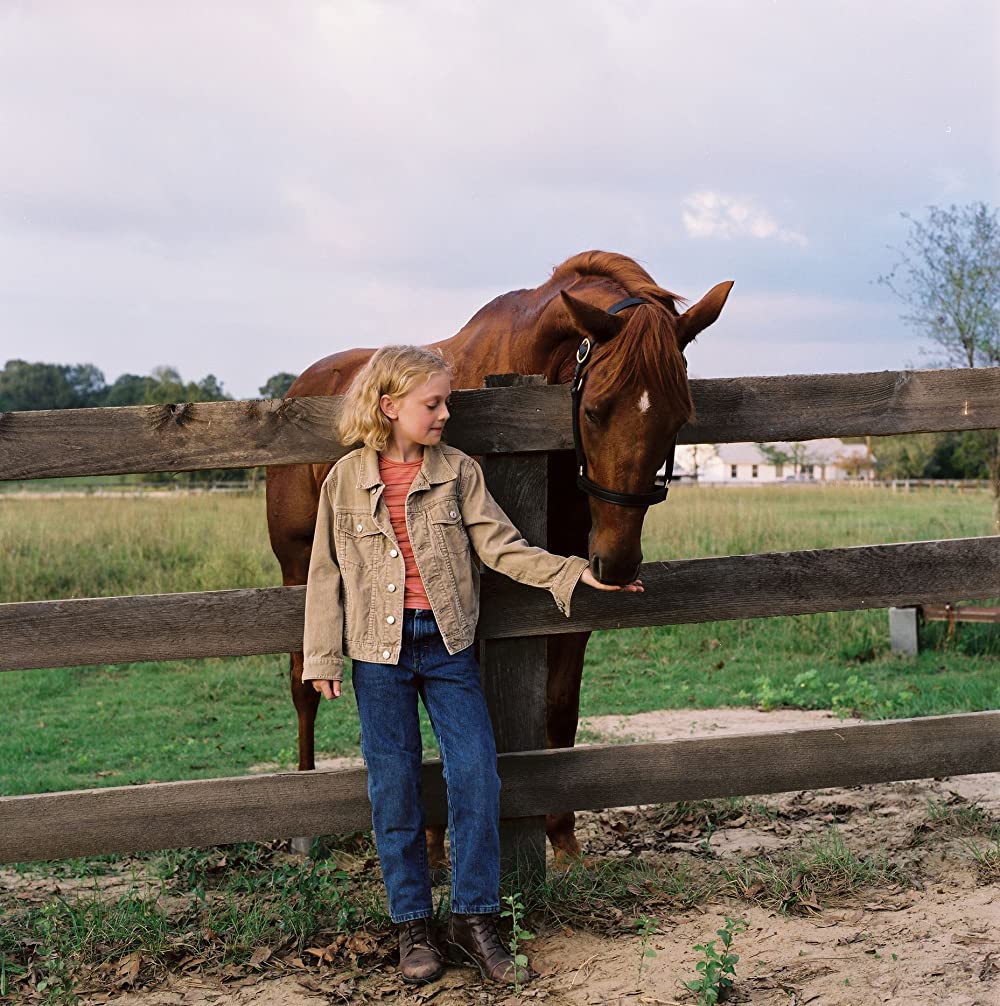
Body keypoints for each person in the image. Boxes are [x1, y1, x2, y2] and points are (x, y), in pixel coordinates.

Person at [301, 344, 643, 986]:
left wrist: (572, 573)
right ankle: (412, 929)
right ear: (389, 406)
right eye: (432, 404)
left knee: (476, 775)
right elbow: (326, 575)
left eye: (446, 402)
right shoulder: (344, 481)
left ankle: (475, 919)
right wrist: (321, 655)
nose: (444, 415)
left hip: (449, 647)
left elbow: (501, 547)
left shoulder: (457, 472)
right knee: (394, 788)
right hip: (378, 655)